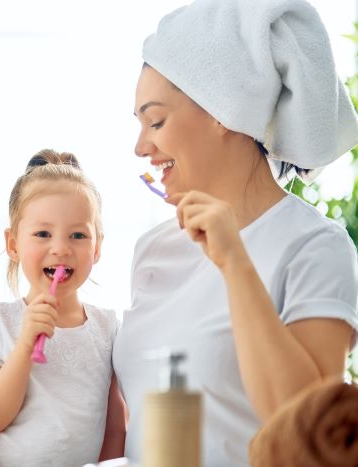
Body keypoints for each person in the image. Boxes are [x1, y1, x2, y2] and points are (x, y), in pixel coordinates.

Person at [113, 0, 358, 465]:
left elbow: (309, 430)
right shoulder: (153, 250)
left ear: (221, 109)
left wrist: (236, 264)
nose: (141, 146)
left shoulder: (316, 246)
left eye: (156, 121)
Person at [0, 150, 126, 466]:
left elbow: (115, 428)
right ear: (13, 244)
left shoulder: (107, 329)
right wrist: (24, 347)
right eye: (42, 234)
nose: (61, 248)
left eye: (78, 235)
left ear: (98, 247)